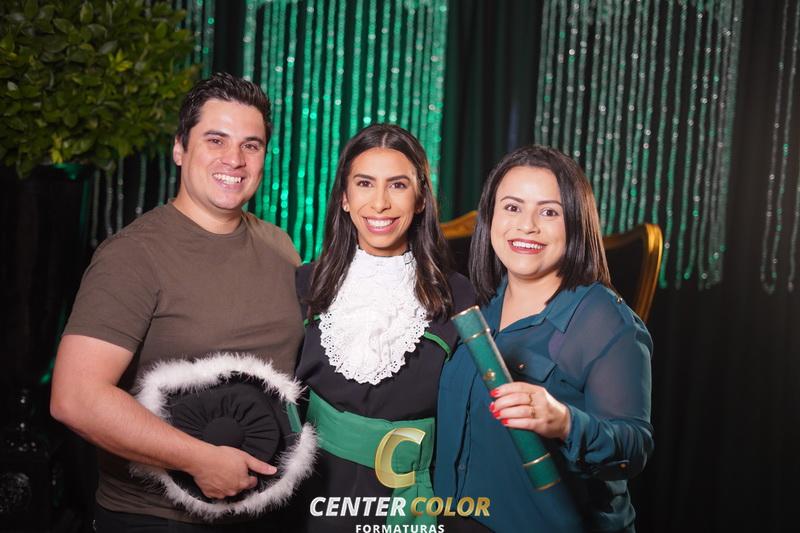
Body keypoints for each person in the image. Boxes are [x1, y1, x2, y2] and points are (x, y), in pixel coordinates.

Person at [49, 73, 304, 531]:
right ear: (180, 148)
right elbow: (75, 397)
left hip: (265, 514)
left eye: (251, 145)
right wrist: (198, 459)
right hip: (156, 519)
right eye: (215, 140)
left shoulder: (280, 246)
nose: (235, 159)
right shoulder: (133, 256)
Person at [435, 145, 654, 532]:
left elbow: (633, 449)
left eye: (549, 212)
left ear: (576, 223)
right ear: (490, 217)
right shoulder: (478, 304)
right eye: (512, 207)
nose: (527, 226)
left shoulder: (605, 320)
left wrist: (565, 422)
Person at [292, 124, 475, 532]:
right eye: (364, 184)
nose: (379, 203)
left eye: (397, 185)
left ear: (421, 198)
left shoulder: (460, 298)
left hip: (410, 498)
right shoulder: (306, 284)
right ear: (344, 197)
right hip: (312, 495)